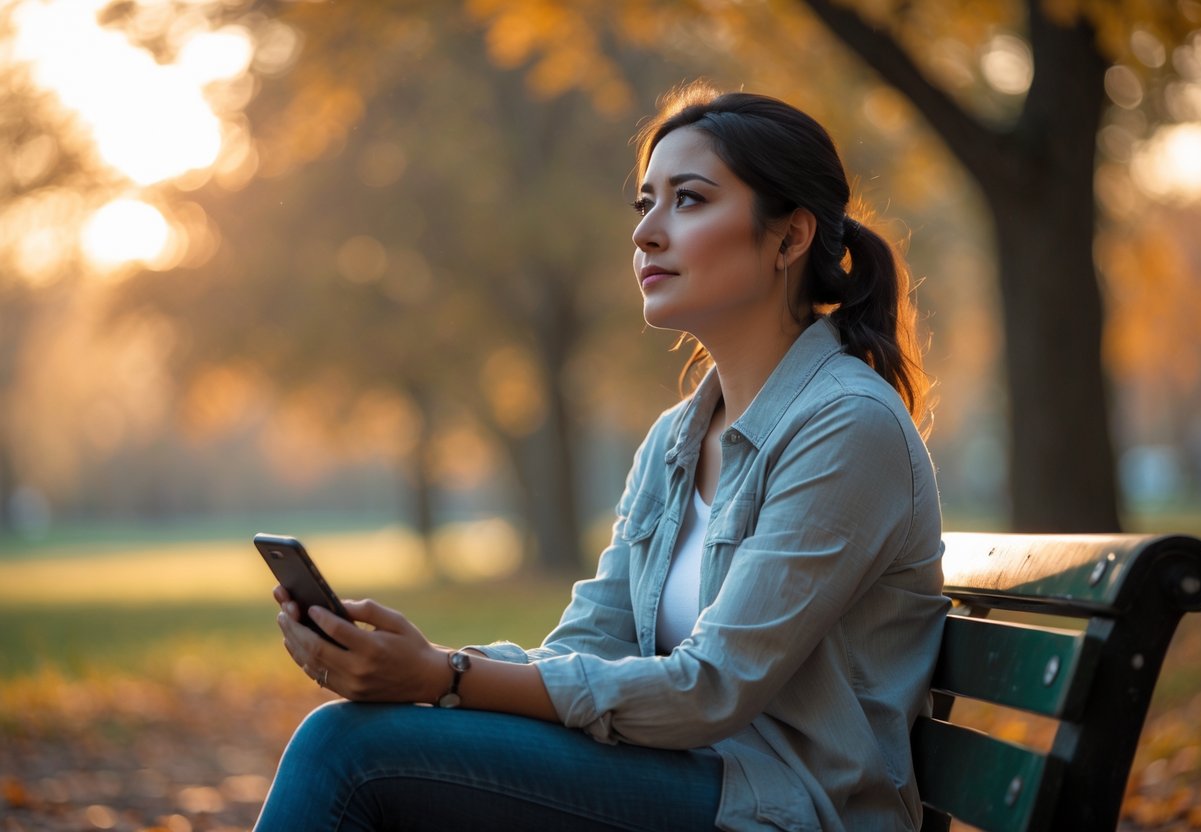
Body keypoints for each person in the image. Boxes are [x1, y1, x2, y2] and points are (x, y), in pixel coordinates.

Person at [254, 81, 948, 832]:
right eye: (644, 204)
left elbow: (708, 688)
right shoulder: (675, 440)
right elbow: (588, 645)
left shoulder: (846, 426)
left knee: (348, 752)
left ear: (788, 238)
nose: (646, 232)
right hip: (681, 779)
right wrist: (421, 666)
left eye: (687, 200)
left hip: (783, 808)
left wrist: (446, 679)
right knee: (364, 744)